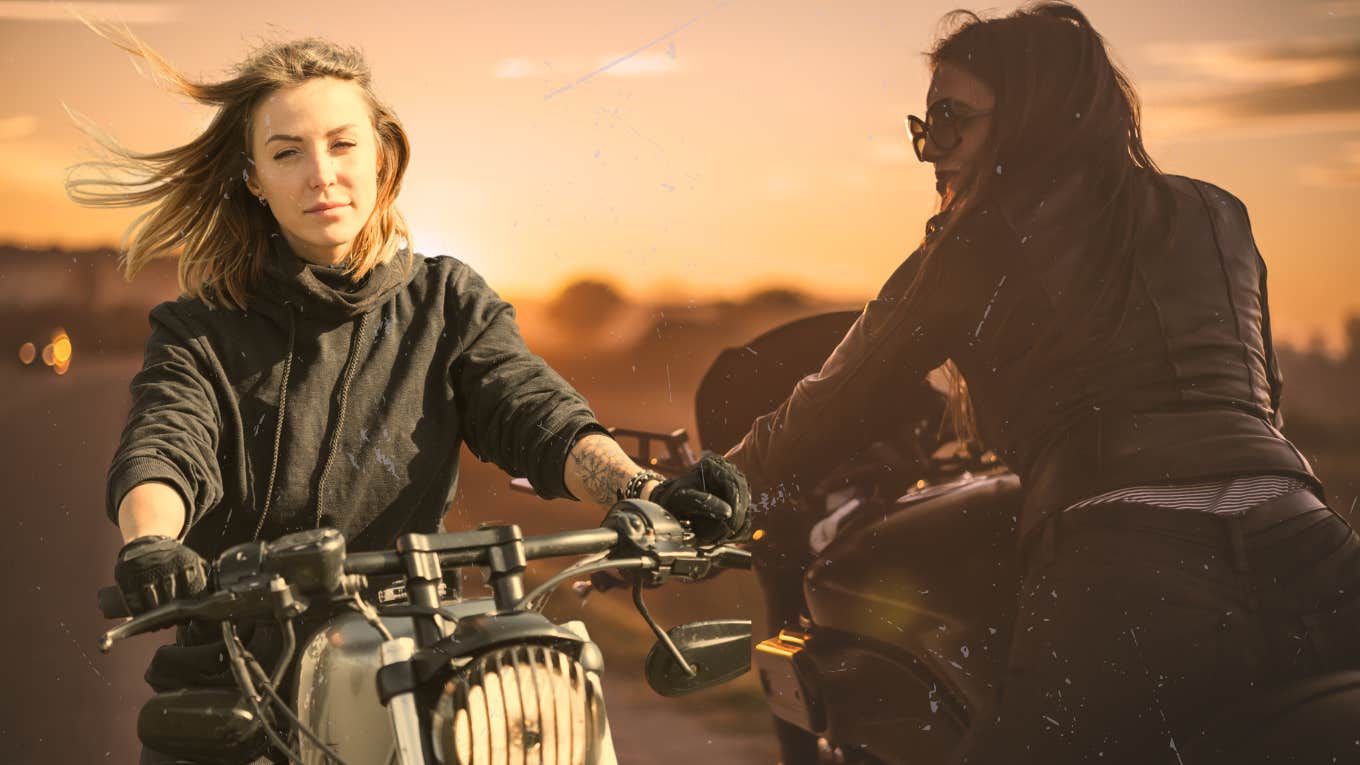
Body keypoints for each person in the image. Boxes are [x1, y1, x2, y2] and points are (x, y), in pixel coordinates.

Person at [67, 27, 749, 763]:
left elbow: (535, 413)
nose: (321, 174)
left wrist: (643, 489)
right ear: (255, 179)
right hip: (241, 675)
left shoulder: (447, 302)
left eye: (342, 144)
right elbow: (167, 445)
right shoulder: (199, 328)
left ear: (382, 156)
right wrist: (152, 543)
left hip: (416, 648)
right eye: (287, 153)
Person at [727, 2, 1360, 762]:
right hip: (1313, 551)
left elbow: (832, 403)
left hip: (1132, 578)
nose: (933, 150)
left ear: (1029, 113)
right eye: (925, 126)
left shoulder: (977, 242)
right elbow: (1263, 406)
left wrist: (703, 487)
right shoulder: (1217, 212)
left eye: (951, 120)